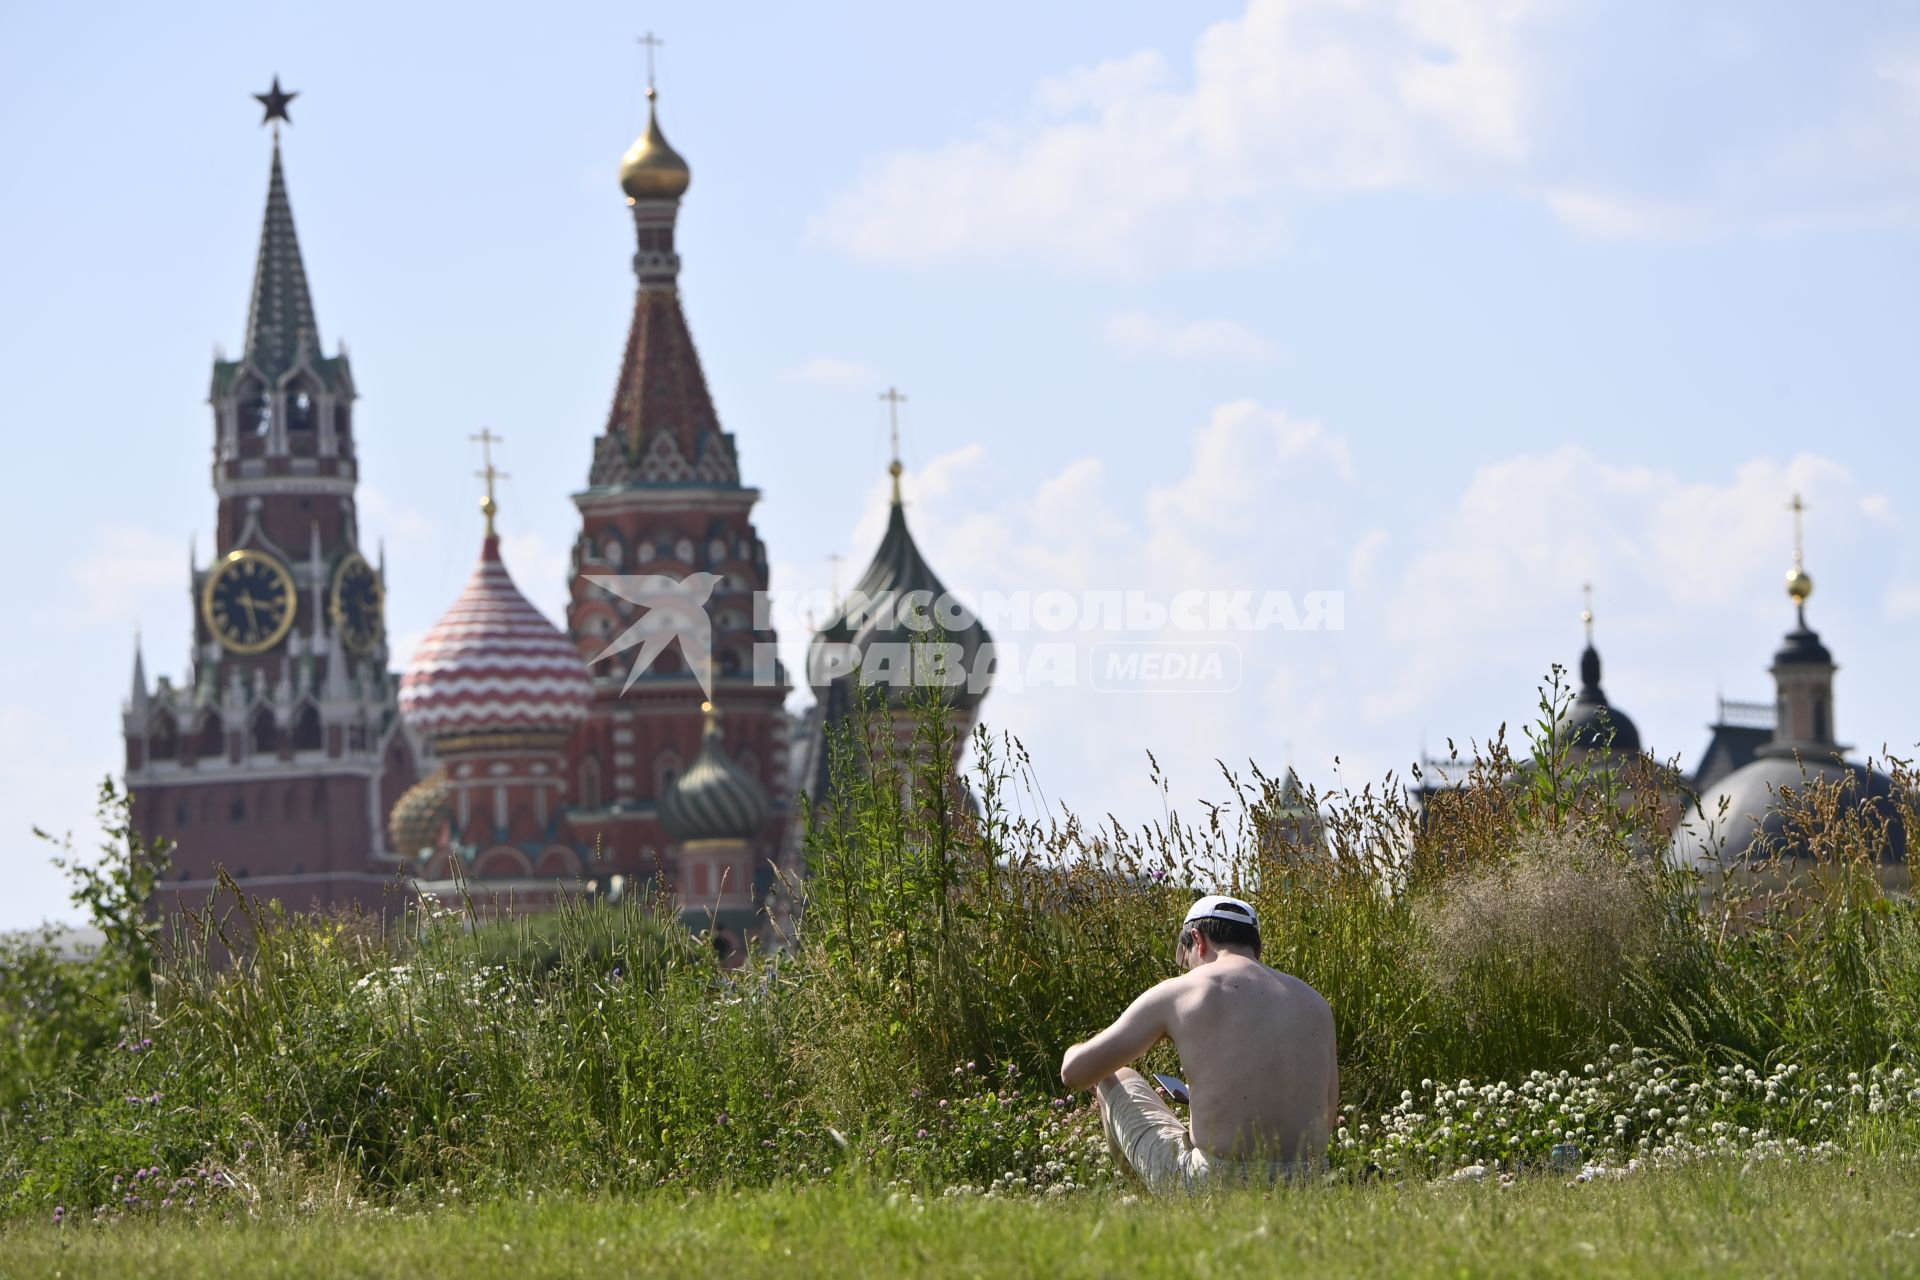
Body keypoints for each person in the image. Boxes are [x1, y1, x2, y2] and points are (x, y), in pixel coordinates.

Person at [1058, 894, 1338, 1194]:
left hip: (1215, 1183)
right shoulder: (1315, 1001)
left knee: (1115, 1077)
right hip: (1308, 1182)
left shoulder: (1183, 991)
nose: (1187, 967)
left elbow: (1074, 1074)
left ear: (1197, 940)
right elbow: (1327, 1113)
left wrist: (1073, 1049)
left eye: (1184, 957)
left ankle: (1154, 1211)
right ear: (1258, 948)